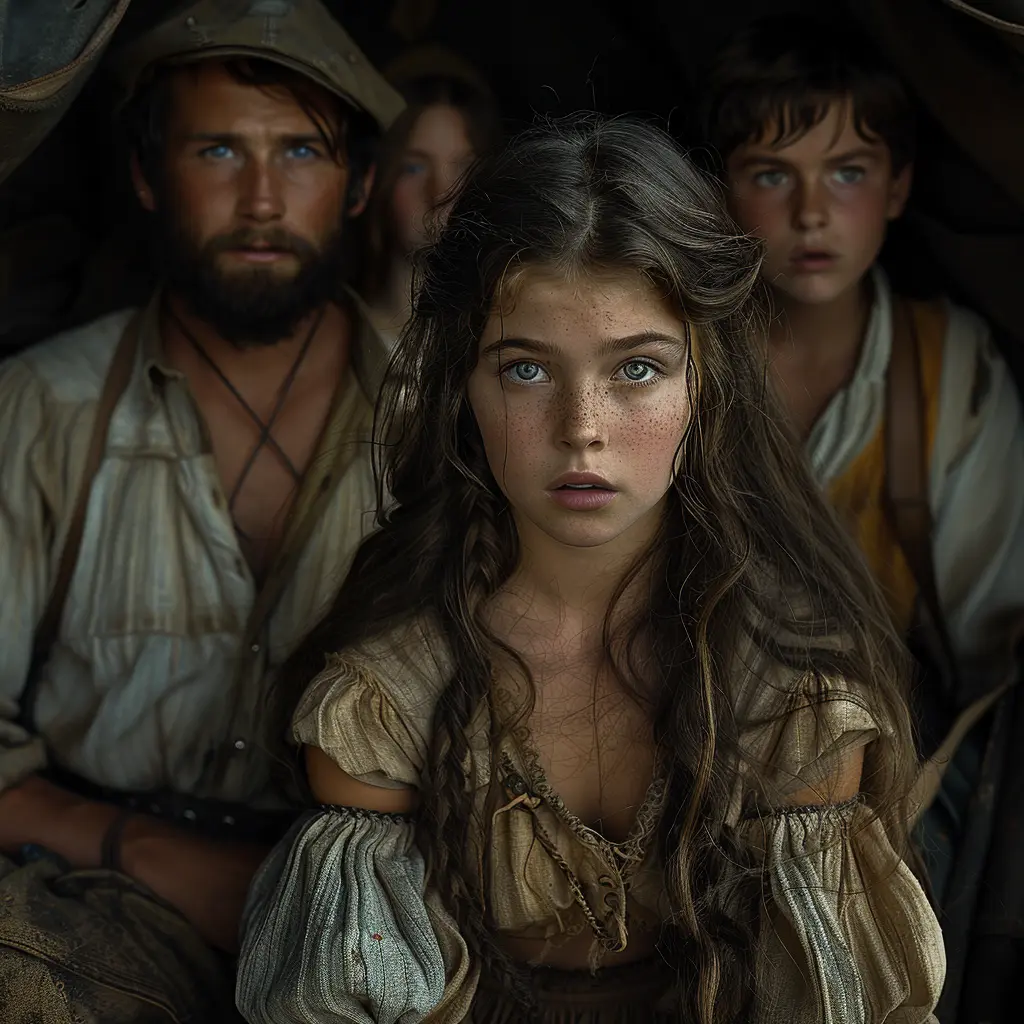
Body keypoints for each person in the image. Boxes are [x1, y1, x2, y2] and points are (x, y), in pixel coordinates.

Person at [236, 115, 944, 1024]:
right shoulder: (390, 698)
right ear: (465, 388)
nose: (583, 427)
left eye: (637, 369)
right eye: (527, 371)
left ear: (706, 382)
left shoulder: (788, 690)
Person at [0, 0, 402, 1019]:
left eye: (301, 151)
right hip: (91, 886)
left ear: (357, 184)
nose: (263, 198)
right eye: (218, 148)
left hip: (388, 895)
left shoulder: (439, 414)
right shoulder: (44, 408)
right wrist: (172, 862)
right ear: (145, 175)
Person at [701, 15, 1024, 910]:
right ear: (723, 192)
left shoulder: (945, 370)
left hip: (891, 783)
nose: (812, 213)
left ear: (896, 187)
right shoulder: (677, 363)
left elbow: (992, 661)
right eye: (773, 174)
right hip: (687, 754)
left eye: (847, 173)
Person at [356, 45, 502, 347]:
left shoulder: (507, 339)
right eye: (413, 167)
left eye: (464, 166)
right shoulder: (337, 344)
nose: (441, 193)